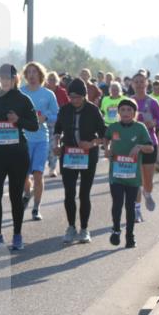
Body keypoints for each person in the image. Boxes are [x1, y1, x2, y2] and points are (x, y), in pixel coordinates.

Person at [0, 63, 39, 251]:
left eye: (8, 78)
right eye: (2, 78)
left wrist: (18, 120)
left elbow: (34, 126)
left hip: (17, 154)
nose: (5, 81)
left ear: (16, 79)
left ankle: (17, 235)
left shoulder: (24, 100)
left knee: (15, 196)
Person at [53, 79, 106, 244]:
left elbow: (105, 135)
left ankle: (84, 228)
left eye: (77, 97)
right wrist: (56, 145)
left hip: (88, 156)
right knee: (69, 193)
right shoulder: (65, 110)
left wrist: (91, 144)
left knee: (84, 194)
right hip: (68, 155)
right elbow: (57, 130)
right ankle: (70, 227)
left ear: (84, 96)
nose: (74, 100)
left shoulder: (93, 110)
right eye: (71, 97)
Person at [105, 97, 154, 249]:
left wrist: (139, 146)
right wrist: (107, 149)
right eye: (123, 110)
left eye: (129, 110)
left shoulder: (140, 128)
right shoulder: (113, 127)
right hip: (116, 175)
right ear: (118, 112)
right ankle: (116, 229)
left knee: (130, 206)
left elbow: (150, 148)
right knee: (117, 203)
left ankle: (130, 235)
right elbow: (105, 139)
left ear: (134, 113)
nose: (125, 112)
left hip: (133, 177)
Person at [20, 62, 60, 221]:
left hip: (41, 140)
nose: (31, 75)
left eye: (34, 72)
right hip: (23, 140)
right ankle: (27, 193)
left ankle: (36, 208)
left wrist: (46, 117)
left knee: (38, 174)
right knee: (24, 175)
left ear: (40, 75)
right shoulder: (20, 93)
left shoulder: (48, 94)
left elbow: (57, 116)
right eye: (28, 72)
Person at [132, 72, 159, 220]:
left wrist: (154, 123)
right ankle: (137, 210)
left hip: (150, 143)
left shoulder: (152, 102)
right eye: (136, 82)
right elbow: (119, 119)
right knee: (136, 180)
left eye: (142, 82)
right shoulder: (128, 102)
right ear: (132, 84)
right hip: (132, 144)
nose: (139, 85)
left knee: (148, 181)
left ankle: (148, 193)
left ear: (147, 84)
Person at [45, 71, 69, 177]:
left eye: (54, 80)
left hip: (57, 122)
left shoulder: (62, 92)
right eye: (50, 80)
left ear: (57, 81)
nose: (52, 82)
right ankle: (43, 166)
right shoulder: (43, 92)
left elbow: (67, 105)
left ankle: (53, 168)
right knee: (46, 146)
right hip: (44, 122)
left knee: (53, 144)